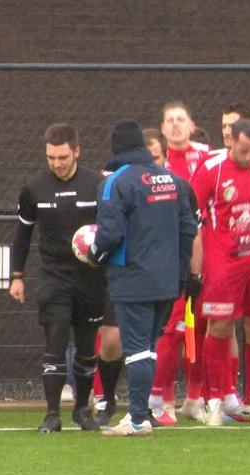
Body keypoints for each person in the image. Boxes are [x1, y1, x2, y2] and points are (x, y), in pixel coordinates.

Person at [89, 120, 197, 437]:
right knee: (148, 348)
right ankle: (140, 415)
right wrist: (180, 275)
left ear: (116, 148)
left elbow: (109, 235)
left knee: (136, 349)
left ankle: (137, 419)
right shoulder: (173, 181)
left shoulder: (114, 183)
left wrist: (93, 254)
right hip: (167, 280)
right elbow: (188, 230)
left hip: (132, 277)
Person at [189, 117, 250, 426]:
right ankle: (215, 399)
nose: (249, 157)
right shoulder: (212, 168)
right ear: (230, 141)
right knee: (220, 327)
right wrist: (198, 259)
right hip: (223, 259)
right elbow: (193, 212)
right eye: (244, 151)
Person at [9, 123, 103, 433]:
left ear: (77, 152)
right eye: (51, 157)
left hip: (90, 277)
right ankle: (52, 414)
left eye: (62, 157)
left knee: (87, 347)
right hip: (53, 276)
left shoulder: (96, 185)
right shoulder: (34, 187)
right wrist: (17, 275)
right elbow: (22, 235)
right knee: (56, 343)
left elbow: (112, 230)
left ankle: (82, 410)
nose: (57, 163)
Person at [150, 101, 210, 424]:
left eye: (181, 119)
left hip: (202, 252)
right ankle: (163, 398)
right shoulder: (157, 162)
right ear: (162, 128)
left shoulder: (207, 157)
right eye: (170, 120)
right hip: (167, 257)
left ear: (191, 125)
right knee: (171, 331)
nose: (175, 124)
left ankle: (195, 397)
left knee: (198, 328)